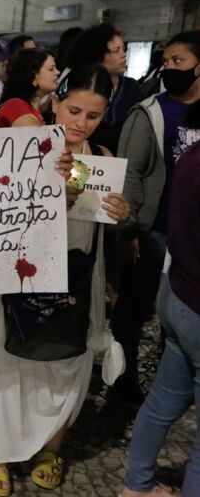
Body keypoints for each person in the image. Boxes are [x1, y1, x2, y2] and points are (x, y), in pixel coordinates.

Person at [0, 65, 130, 496]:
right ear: (54, 102)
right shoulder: (21, 151)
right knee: (6, 363)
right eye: (73, 109)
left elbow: (102, 224)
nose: (80, 123)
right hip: (18, 271)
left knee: (67, 362)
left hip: (77, 276)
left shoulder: (103, 159)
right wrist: (47, 195)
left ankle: (51, 446)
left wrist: (120, 214)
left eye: (93, 116)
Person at [112, 30, 200, 406]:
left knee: (182, 315)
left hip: (193, 239)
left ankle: (172, 384)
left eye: (178, 62)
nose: (169, 69)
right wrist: (129, 229)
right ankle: (125, 379)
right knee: (135, 307)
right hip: (154, 232)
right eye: (167, 62)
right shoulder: (150, 112)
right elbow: (130, 171)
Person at [120, 102, 200, 497]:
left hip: (177, 293)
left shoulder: (190, 156)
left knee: (161, 402)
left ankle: (135, 486)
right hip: (196, 304)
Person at [66, 24, 144, 156]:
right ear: (97, 54)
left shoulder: (132, 88)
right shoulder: (77, 84)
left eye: (124, 49)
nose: (123, 55)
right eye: (116, 50)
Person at [0, 48, 60, 128]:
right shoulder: (16, 107)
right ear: (34, 75)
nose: (58, 72)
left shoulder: (34, 108)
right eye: (51, 69)